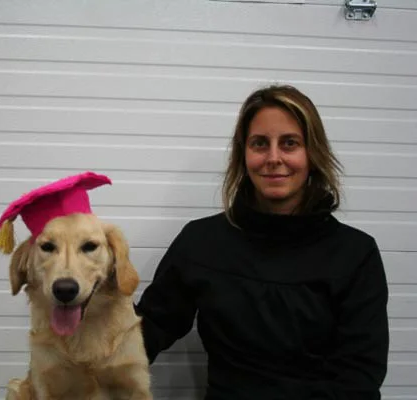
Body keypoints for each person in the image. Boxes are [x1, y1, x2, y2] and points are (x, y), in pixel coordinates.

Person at [134, 84, 390, 399]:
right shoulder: (202, 242)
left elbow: (359, 378)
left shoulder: (355, 254)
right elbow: (147, 332)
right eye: (259, 144)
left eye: (290, 143)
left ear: (312, 153)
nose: (273, 158)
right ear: (243, 155)